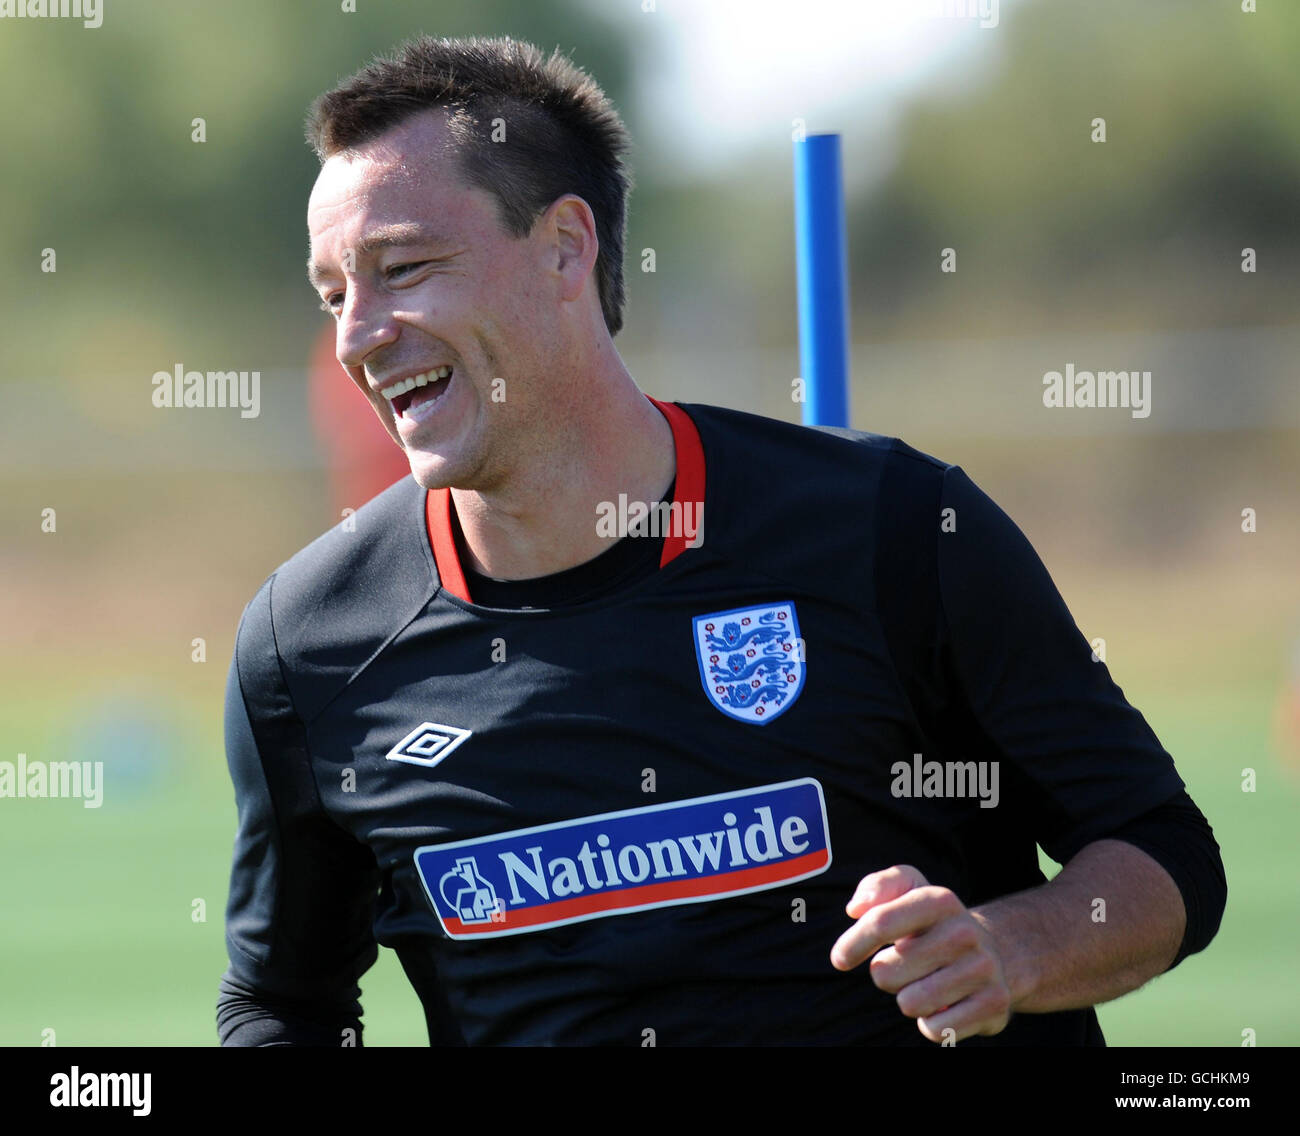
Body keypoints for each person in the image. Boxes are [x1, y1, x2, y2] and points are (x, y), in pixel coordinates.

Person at [217, 34, 1225, 1046]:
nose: (356, 335)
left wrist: (1009, 949)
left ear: (567, 247)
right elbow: (278, 1003)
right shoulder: (308, 646)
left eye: (404, 268)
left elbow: (1161, 856)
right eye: (335, 292)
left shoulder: (890, 527)